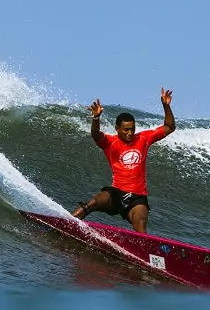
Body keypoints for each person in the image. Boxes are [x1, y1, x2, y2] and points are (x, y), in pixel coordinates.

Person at [71, 88, 175, 233]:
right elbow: (95, 135)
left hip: (137, 197)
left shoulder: (143, 139)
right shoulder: (110, 142)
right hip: (116, 193)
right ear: (117, 129)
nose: (130, 133)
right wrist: (96, 118)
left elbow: (169, 127)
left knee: (140, 220)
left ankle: (142, 252)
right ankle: (68, 224)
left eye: (132, 129)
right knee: (93, 203)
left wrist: (166, 106)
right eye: (126, 129)